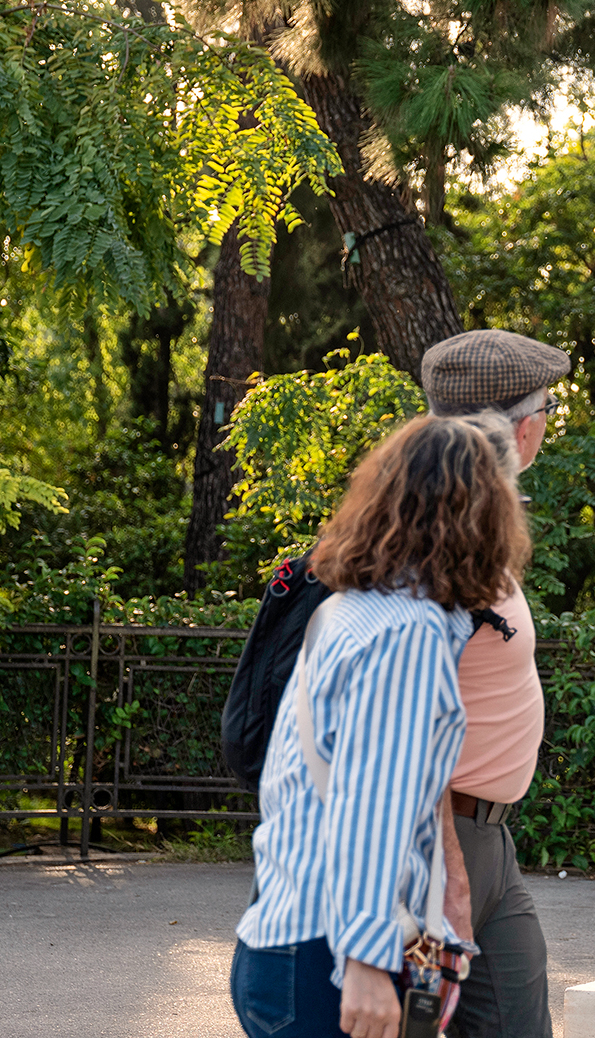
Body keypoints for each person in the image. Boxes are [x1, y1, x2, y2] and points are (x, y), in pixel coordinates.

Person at [232, 415, 530, 1038]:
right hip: (330, 963)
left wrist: (429, 943)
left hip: (285, 942)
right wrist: (369, 963)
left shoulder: (349, 610)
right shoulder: (408, 636)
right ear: (478, 517)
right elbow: (373, 808)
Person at [418, 328, 570, 1038]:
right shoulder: (439, 546)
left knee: (518, 1019)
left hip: (489, 846)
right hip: (435, 845)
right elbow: (403, 724)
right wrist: (445, 868)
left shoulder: (475, 526)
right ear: (526, 427)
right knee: (415, 1021)